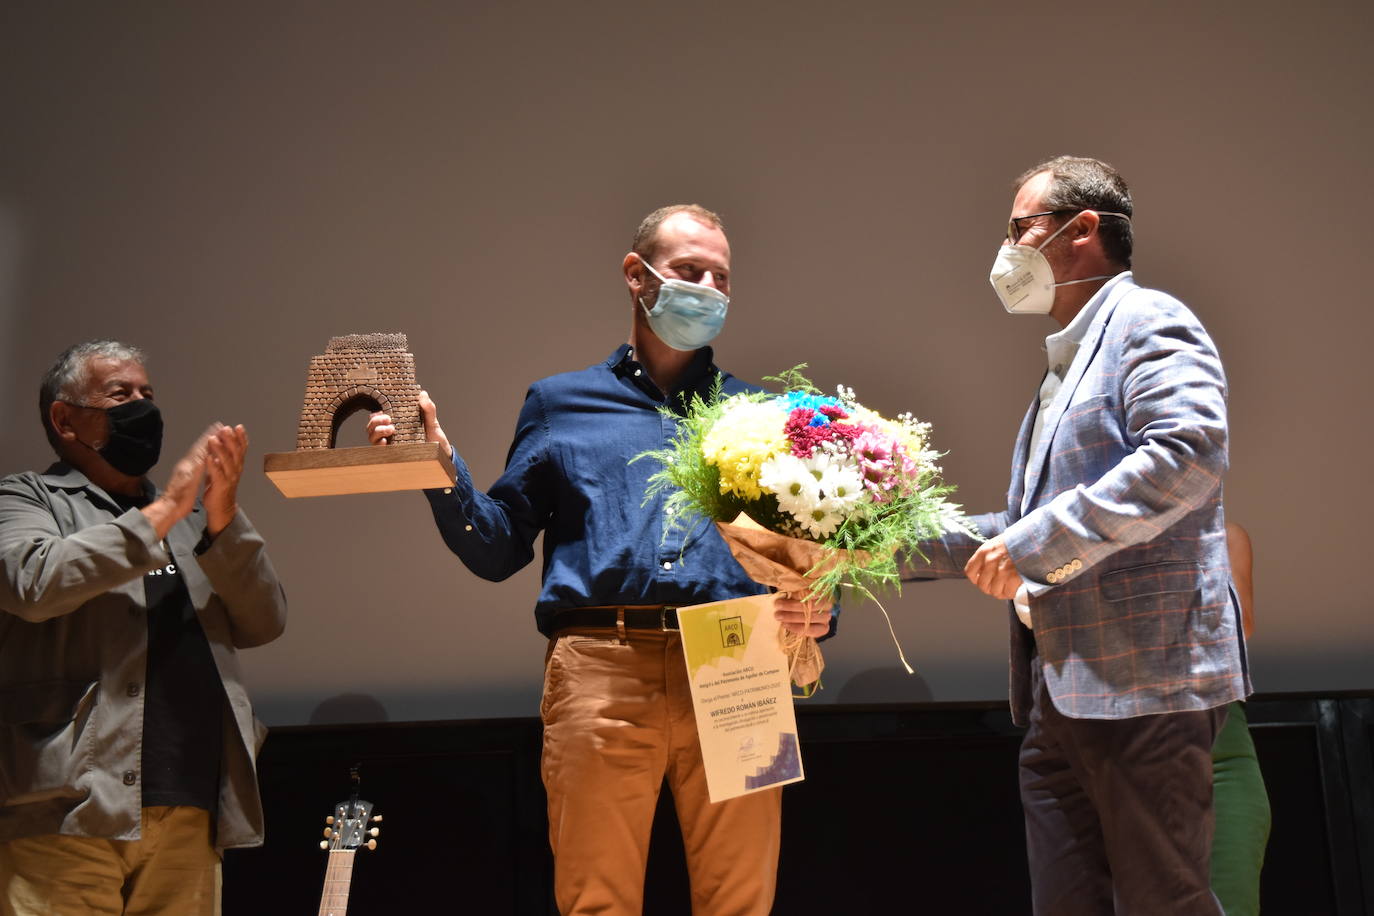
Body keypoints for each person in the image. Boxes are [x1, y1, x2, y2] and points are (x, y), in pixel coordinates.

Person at [366, 204, 832, 915]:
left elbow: (805, 556)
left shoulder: (761, 416)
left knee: (743, 901)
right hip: (601, 660)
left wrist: (822, 606)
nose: (707, 288)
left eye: (721, 276)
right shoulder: (561, 404)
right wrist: (439, 468)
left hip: (740, 656)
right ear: (635, 275)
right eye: (688, 271)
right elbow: (496, 550)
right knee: (596, 900)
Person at [907, 157, 1249, 913]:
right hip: (1057, 690)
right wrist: (874, 544)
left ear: (1082, 229)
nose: (1009, 252)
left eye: (1020, 228)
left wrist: (1031, 548)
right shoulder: (1064, 366)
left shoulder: (1148, 320)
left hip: (1146, 683)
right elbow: (1016, 527)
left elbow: (1186, 454)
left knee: (1166, 901)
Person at [0, 341, 287, 915]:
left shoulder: (195, 519)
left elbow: (264, 619)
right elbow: (33, 582)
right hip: (69, 810)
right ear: (65, 419)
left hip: (189, 803)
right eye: (119, 395)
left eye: (147, 395)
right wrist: (168, 510)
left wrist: (222, 520)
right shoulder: (26, 497)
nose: (142, 407)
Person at [1211, 521, 1270, 915]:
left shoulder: (1224, 534)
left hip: (1220, 760)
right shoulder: (1088, 536)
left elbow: (1237, 625)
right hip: (1121, 756)